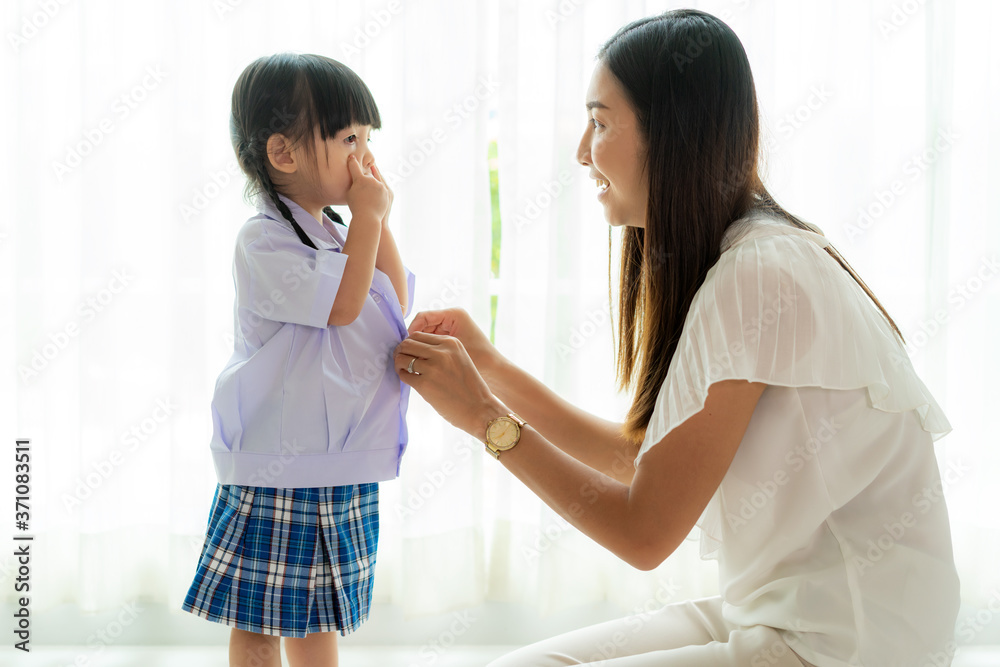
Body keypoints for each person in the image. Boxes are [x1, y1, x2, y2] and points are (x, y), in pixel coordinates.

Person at [393, 9, 960, 667]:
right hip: (782, 608)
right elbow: (647, 462)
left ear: (672, 136)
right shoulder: (753, 255)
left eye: (601, 122)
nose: (581, 150)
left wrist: (486, 421)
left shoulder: (758, 272)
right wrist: (491, 369)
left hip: (844, 643)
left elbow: (644, 532)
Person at [181, 53, 414, 667]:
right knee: (257, 616)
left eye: (367, 140)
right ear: (283, 154)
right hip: (279, 463)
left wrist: (373, 218)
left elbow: (391, 293)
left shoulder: (334, 231)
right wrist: (368, 214)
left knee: (317, 613)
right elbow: (342, 305)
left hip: (334, 458)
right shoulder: (263, 238)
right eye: (348, 140)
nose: (363, 157)